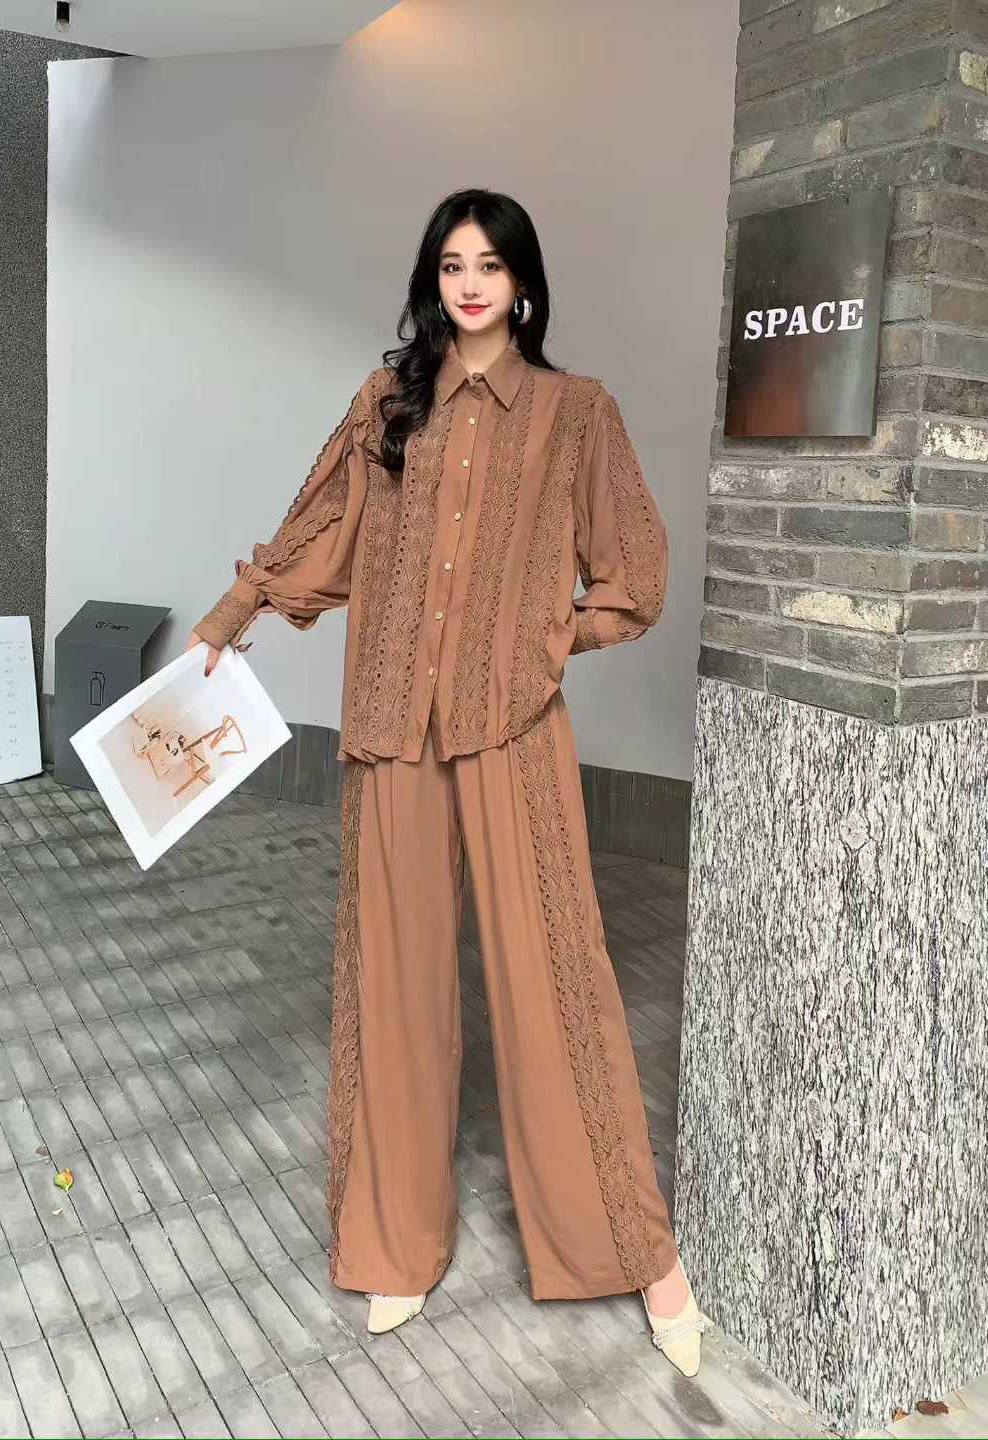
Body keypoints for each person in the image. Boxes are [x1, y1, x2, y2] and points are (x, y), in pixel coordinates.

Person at [185, 188, 709, 1377]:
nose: (470, 284)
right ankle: (395, 1238)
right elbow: (317, 527)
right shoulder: (389, 402)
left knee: (556, 979)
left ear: (523, 285)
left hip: (511, 726)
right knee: (395, 983)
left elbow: (634, 572)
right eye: (452, 265)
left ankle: (636, 1250)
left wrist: (546, 638)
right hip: (391, 727)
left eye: (491, 265)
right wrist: (228, 618)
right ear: (435, 280)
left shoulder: (577, 414)